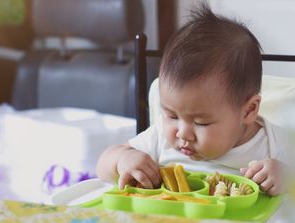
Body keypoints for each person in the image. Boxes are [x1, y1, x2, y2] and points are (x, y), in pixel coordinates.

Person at [96, 4, 285, 196]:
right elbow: (102, 167)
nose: (183, 134)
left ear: (248, 111)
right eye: (171, 115)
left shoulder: (273, 144)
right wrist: (123, 159)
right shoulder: (160, 137)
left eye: (200, 122)